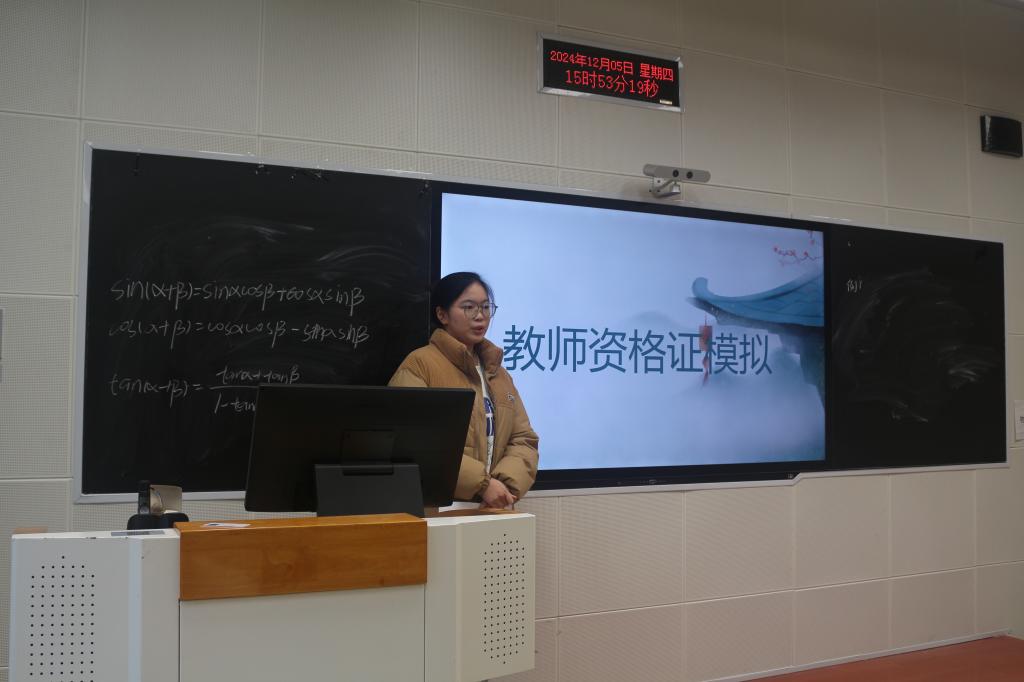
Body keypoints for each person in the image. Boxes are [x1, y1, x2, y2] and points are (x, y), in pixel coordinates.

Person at [389, 272, 538, 508]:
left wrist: (504, 486)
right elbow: (412, 440)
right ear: (442, 314)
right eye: (469, 307)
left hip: (494, 507)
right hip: (436, 508)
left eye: (486, 307)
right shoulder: (420, 365)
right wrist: (482, 485)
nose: (480, 316)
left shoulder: (499, 374)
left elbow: (524, 439)